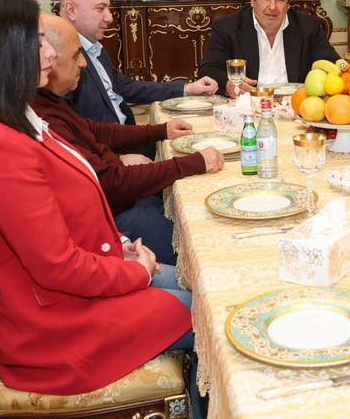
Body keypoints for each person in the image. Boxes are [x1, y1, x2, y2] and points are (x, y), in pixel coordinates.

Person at [0, 0, 194, 399]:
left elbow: (61, 218)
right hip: (55, 329)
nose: (48, 53)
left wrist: (120, 247)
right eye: (36, 41)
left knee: (207, 289)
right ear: (1, 52)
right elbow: (57, 267)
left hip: (74, 292)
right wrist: (137, 271)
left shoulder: (13, 117)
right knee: (215, 315)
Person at [31, 14, 225, 265]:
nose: (83, 62)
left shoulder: (45, 99)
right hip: (116, 214)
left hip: (118, 199)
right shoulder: (40, 113)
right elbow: (114, 182)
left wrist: (160, 130)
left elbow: (93, 131)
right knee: (203, 244)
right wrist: (194, 162)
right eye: (76, 55)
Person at [61, 0, 218, 124]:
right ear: (71, 10)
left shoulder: (93, 48)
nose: (109, 18)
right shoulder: (61, 59)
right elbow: (73, 129)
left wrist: (188, 88)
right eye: (100, 9)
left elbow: (127, 87)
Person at [198, 0, 339, 97]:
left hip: (295, 105)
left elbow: (332, 65)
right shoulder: (228, 27)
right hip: (248, 105)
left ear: (288, 4)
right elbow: (209, 69)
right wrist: (228, 85)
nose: (272, 7)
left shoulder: (308, 27)